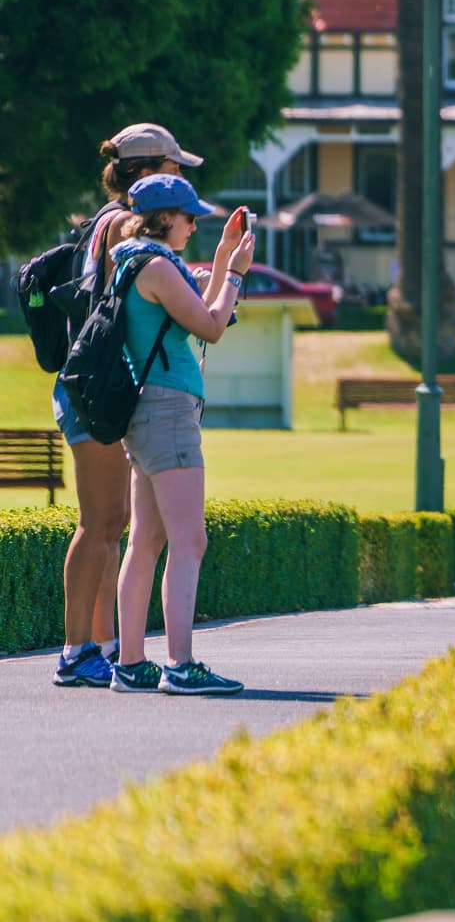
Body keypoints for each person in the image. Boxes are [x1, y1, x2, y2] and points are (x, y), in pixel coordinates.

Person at [51, 125, 204, 690]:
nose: (180, 178)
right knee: (100, 522)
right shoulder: (125, 224)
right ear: (146, 171)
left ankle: (105, 648)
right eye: (173, 167)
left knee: (112, 523)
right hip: (100, 386)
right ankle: (78, 652)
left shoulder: (108, 221)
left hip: (96, 383)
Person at [110, 174, 254, 695]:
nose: (193, 225)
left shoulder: (135, 261)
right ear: (164, 217)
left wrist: (222, 259)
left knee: (146, 540)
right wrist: (235, 274)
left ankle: (131, 664)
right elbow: (212, 326)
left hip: (148, 410)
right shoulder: (156, 267)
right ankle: (180, 664)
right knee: (190, 539)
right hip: (168, 411)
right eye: (189, 217)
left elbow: (199, 314)